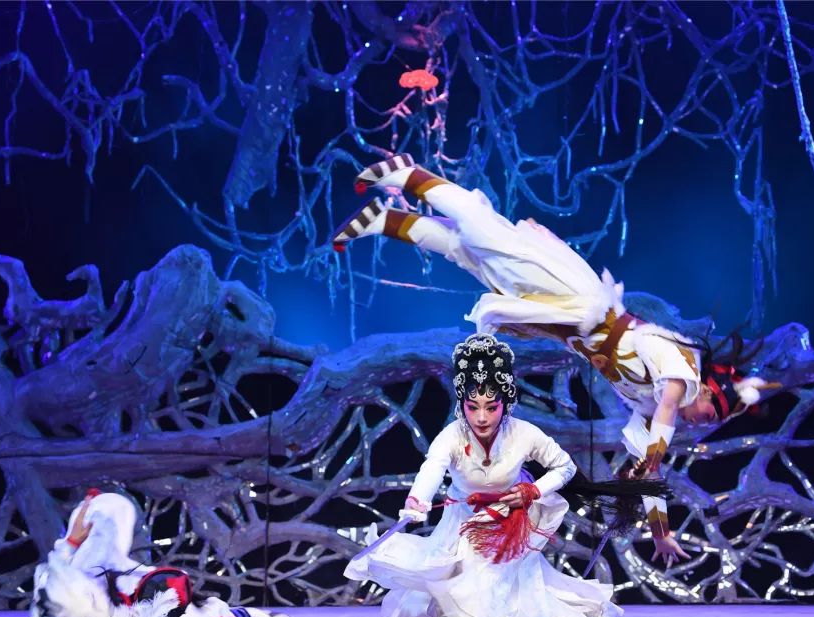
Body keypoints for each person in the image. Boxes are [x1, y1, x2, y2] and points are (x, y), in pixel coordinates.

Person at [333, 155, 777, 566]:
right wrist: (656, 454)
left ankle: (385, 220)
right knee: (485, 234)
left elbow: (650, 477)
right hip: (578, 298)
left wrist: (661, 533)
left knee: (473, 259)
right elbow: (667, 414)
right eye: (709, 414)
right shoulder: (679, 364)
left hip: (561, 322)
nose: (700, 423)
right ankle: (407, 173)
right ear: (709, 391)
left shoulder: (649, 407)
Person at [345, 333, 622, 617]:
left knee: (510, 583)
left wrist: (533, 490)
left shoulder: (524, 433)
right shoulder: (452, 435)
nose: (481, 417)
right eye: (472, 406)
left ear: (506, 403)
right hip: (464, 520)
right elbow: (432, 467)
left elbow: (565, 467)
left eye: (491, 407)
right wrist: (417, 499)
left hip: (509, 520)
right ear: (461, 404)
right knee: (459, 576)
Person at [26, 490, 293, 617]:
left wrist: (72, 541)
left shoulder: (83, 601)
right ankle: (251, 616)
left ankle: (249, 616)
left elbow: (50, 581)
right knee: (206, 613)